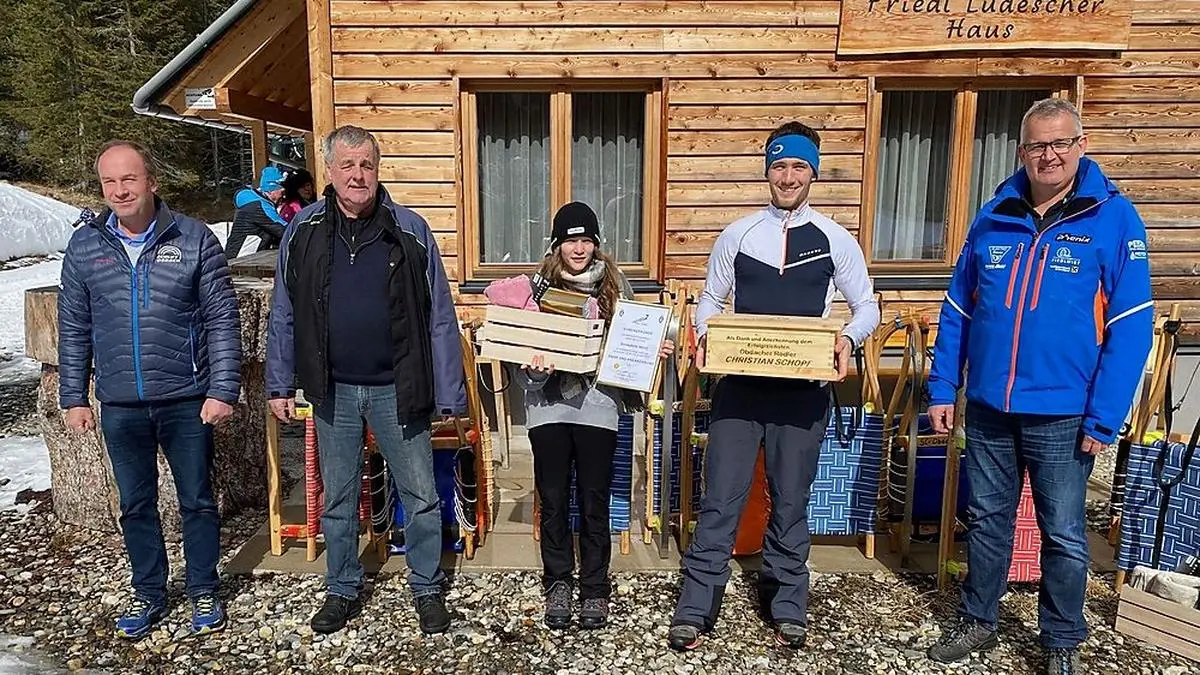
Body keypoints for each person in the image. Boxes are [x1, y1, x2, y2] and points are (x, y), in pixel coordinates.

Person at [924, 98, 1153, 674]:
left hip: (1064, 412)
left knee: (1064, 534)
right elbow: (957, 310)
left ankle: (1060, 641)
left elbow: (1131, 326)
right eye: (1036, 145)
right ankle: (979, 621)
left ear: (1081, 145)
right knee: (985, 521)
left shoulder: (1113, 218)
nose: (1048, 155)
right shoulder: (994, 214)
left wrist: (1106, 416)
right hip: (991, 405)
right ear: (1020, 151)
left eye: (1060, 143)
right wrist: (943, 388)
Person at [667, 121, 880, 651]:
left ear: (814, 172)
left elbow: (867, 307)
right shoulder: (738, 233)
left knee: (790, 501)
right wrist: (703, 337)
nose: (788, 176)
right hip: (740, 389)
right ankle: (696, 608)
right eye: (780, 166)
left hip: (803, 391)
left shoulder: (835, 239)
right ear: (768, 171)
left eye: (799, 167)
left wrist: (848, 341)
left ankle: (786, 603)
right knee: (720, 499)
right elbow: (711, 302)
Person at [265, 125, 466, 636]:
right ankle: (342, 587)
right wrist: (279, 382)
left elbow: (440, 315)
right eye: (348, 166)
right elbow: (284, 312)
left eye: (367, 166)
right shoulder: (304, 230)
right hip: (332, 389)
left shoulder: (411, 229)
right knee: (338, 495)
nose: (358, 175)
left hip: (399, 387)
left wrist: (449, 391)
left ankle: (425, 586)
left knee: (420, 494)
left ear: (378, 170)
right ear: (329, 172)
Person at [57, 139, 242, 639]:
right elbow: (73, 324)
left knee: (198, 499)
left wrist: (223, 388)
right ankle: (149, 592)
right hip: (120, 402)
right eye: (109, 182)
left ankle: (204, 590)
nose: (120, 190)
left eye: (129, 179)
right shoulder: (86, 246)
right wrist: (74, 396)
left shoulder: (193, 238)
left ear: (151, 182)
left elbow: (222, 319)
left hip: (185, 395)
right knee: (135, 504)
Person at [515, 201, 674, 631]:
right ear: (557, 245)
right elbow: (520, 354)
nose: (579, 248)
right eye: (571, 240)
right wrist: (531, 365)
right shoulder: (536, 290)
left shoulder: (616, 286)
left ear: (596, 244)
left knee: (593, 499)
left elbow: (640, 337)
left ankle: (595, 588)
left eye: (586, 240)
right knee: (553, 498)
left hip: (600, 408)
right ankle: (558, 582)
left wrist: (652, 351)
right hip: (548, 406)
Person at [224, 165, 287, 259]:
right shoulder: (260, 207)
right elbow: (283, 229)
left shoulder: (256, 202)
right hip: (239, 262)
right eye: (282, 192)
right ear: (270, 190)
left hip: (243, 258)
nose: (284, 197)